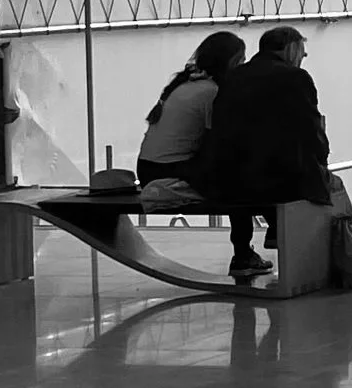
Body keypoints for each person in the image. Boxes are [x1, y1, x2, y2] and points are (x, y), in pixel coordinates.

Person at [196, 26, 332, 287]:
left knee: (243, 172)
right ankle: (290, 238)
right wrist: (322, 159)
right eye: (302, 52)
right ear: (291, 48)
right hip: (279, 179)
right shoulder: (296, 78)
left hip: (230, 177)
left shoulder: (232, 78)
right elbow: (310, 128)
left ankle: (244, 252)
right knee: (321, 181)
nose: (302, 58)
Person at [133, 30, 245, 210]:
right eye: (241, 61)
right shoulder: (211, 92)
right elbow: (217, 142)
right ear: (229, 63)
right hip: (166, 172)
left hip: (148, 168)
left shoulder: (187, 84)